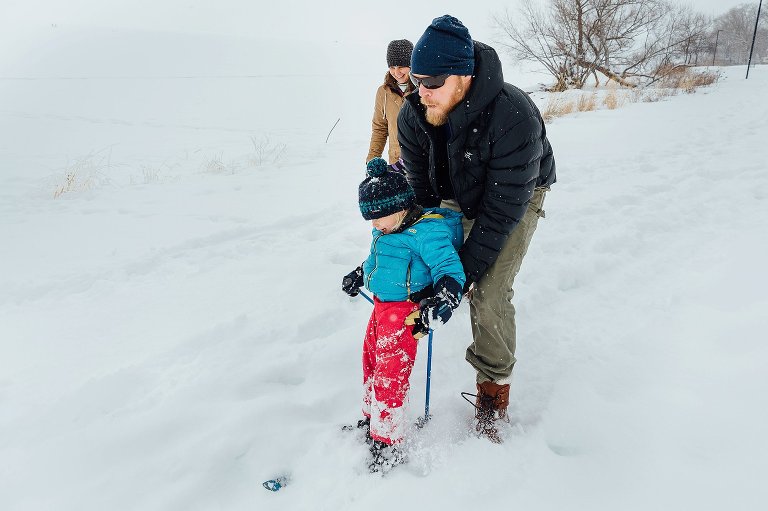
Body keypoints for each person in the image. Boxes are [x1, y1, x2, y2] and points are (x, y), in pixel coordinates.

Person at [397, 15, 556, 443]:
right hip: (455, 189)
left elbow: (498, 219)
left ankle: (493, 391)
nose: (421, 91)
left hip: (515, 195)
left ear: (464, 76)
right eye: (416, 80)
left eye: (432, 81)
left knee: (485, 287)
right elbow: (425, 197)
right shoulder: (414, 117)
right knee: (423, 266)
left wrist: (460, 276)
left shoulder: (514, 117)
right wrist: (431, 256)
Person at [341, 157, 465, 472]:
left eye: (380, 218)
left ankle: (388, 441)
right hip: (381, 307)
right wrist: (359, 274)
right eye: (371, 220)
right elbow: (376, 261)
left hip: (406, 312)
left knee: (390, 374)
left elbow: (450, 270)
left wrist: (443, 300)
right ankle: (372, 419)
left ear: (402, 206)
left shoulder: (427, 232)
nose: (375, 226)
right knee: (371, 362)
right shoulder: (385, 229)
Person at [366, 39, 416, 164]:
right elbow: (380, 129)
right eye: (392, 67)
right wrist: (372, 159)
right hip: (395, 162)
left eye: (401, 67)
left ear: (412, 65)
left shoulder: (423, 90)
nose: (396, 72)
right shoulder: (383, 92)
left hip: (421, 163)